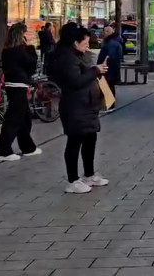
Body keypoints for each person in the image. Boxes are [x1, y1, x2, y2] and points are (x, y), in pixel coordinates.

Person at [51, 25, 109, 193]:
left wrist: (96, 70)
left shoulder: (78, 55)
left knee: (90, 139)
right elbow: (75, 81)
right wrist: (94, 71)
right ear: (75, 42)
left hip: (87, 105)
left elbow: (85, 75)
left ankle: (89, 175)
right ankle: (72, 180)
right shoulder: (66, 58)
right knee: (75, 142)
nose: (87, 46)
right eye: (84, 43)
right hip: (75, 107)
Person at [0, 23, 40, 161]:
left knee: (24, 117)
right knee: (14, 118)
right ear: (21, 35)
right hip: (19, 84)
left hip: (12, 84)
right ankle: (3, 151)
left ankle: (28, 147)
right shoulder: (21, 50)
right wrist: (31, 49)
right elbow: (32, 65)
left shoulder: (7, 50)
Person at [97, 26, 123, 110]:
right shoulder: (114, 42)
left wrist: (103, 63)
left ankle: (110, 105)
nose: (103, 33)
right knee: (109, 85)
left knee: (106, 85)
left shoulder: (110, 43)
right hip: (112, 67)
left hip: (108, 68)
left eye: (105, 31)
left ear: (108, 32)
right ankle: (109, 104)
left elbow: (109, 56)